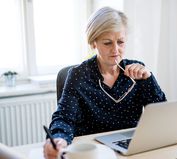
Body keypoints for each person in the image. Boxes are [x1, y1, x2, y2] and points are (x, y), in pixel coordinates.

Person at [43, 6, 166, 159]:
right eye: (107, 43)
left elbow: (162, 115)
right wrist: (58, 138)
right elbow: (64, 117)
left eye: (120, 42)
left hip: (132, 149)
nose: (116, 50)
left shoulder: (137, 71)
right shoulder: (78, 75)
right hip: (92, 151)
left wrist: (149, 78)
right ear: (94, 42)